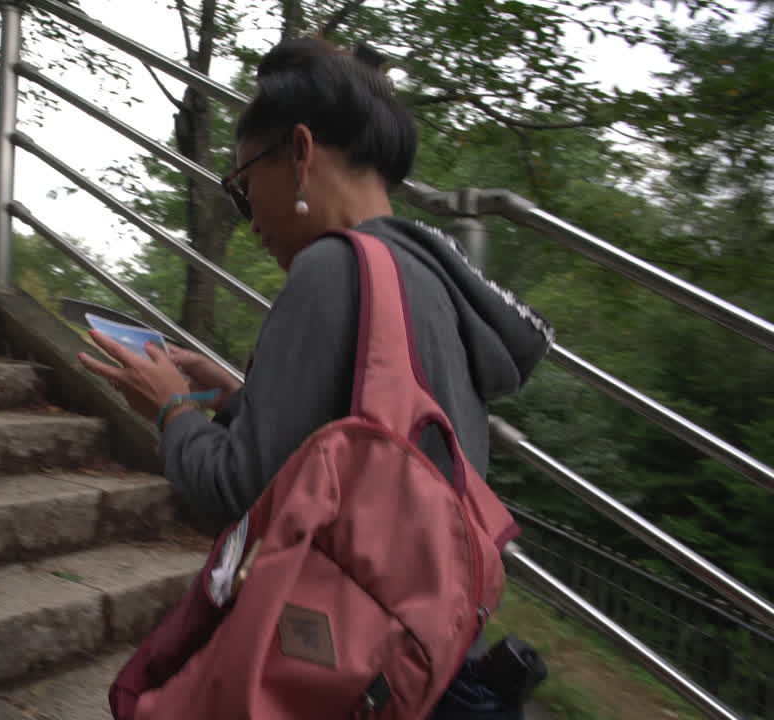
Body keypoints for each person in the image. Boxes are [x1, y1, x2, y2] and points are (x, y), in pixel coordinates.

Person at [79, 37, 552, 719]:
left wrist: (171, 411)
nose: (249, 220)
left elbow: (233, 492)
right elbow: (375, 444)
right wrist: (246, 397)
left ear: (300, 152)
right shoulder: (429, 277)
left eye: (243, 186)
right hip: (418, 645)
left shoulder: (333, 268)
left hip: (332, 655)